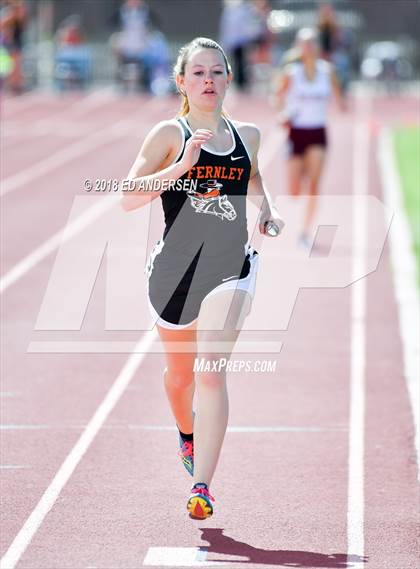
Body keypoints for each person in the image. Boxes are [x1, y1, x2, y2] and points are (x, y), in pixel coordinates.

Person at [120, 37, 282, 519]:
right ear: (182, 82)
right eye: (198, 73)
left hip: (230, 268)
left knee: (211, 368)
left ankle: (202, 486)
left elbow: (251, 176)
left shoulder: (247, 134)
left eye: (217, 72)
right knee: (180, 378)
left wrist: (267, 212)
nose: (208, 80)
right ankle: (186, 434)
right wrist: (183, 165)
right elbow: (127, 196)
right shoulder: (168, 134)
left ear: (230, 78)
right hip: (174, 272)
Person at [275, 28, 343, 248]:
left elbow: (340, 98)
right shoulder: (291, 73)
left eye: (312, 43)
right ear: (299, 47)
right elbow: (277, 96)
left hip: (317, 132)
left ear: (318, 47)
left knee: (314, 187)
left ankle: (304, 232)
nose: (309, 47)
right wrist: (282, 114)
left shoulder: (327, 72)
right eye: (304, 43)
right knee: (294, 191)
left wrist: (342, 103)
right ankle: (301, 172)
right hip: (296, 133)